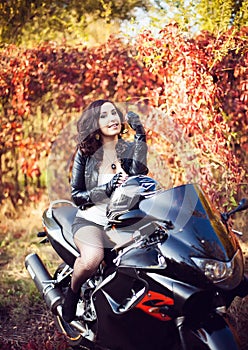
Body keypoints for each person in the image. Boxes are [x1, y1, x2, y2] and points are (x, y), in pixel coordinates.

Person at [62, 99, 148, 322]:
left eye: (113, 113)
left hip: (121, 222)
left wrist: (140, 135)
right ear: (94, 124)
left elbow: (139, 172)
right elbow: (77, 195)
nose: (111, 119)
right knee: (92, 259)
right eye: (104, 115)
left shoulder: (128, 148)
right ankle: (71, 294)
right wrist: (107, 188)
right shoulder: (85, 153)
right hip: (90, 221)